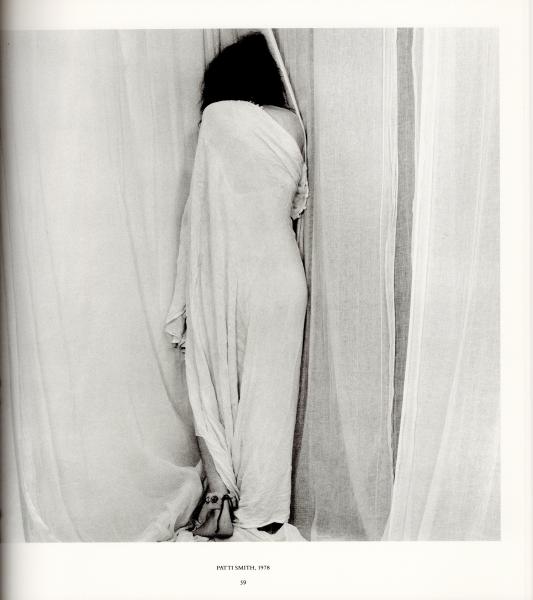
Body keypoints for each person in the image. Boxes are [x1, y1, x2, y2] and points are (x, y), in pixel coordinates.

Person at [165, 31, 308, 540]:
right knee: (272, 399)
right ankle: (264, 510)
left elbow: (200, 212)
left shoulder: (218, 118)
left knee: (214, 379)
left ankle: (219, 495)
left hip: (231, 273)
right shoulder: (293, 124)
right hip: (283, 275)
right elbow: (294, 203)